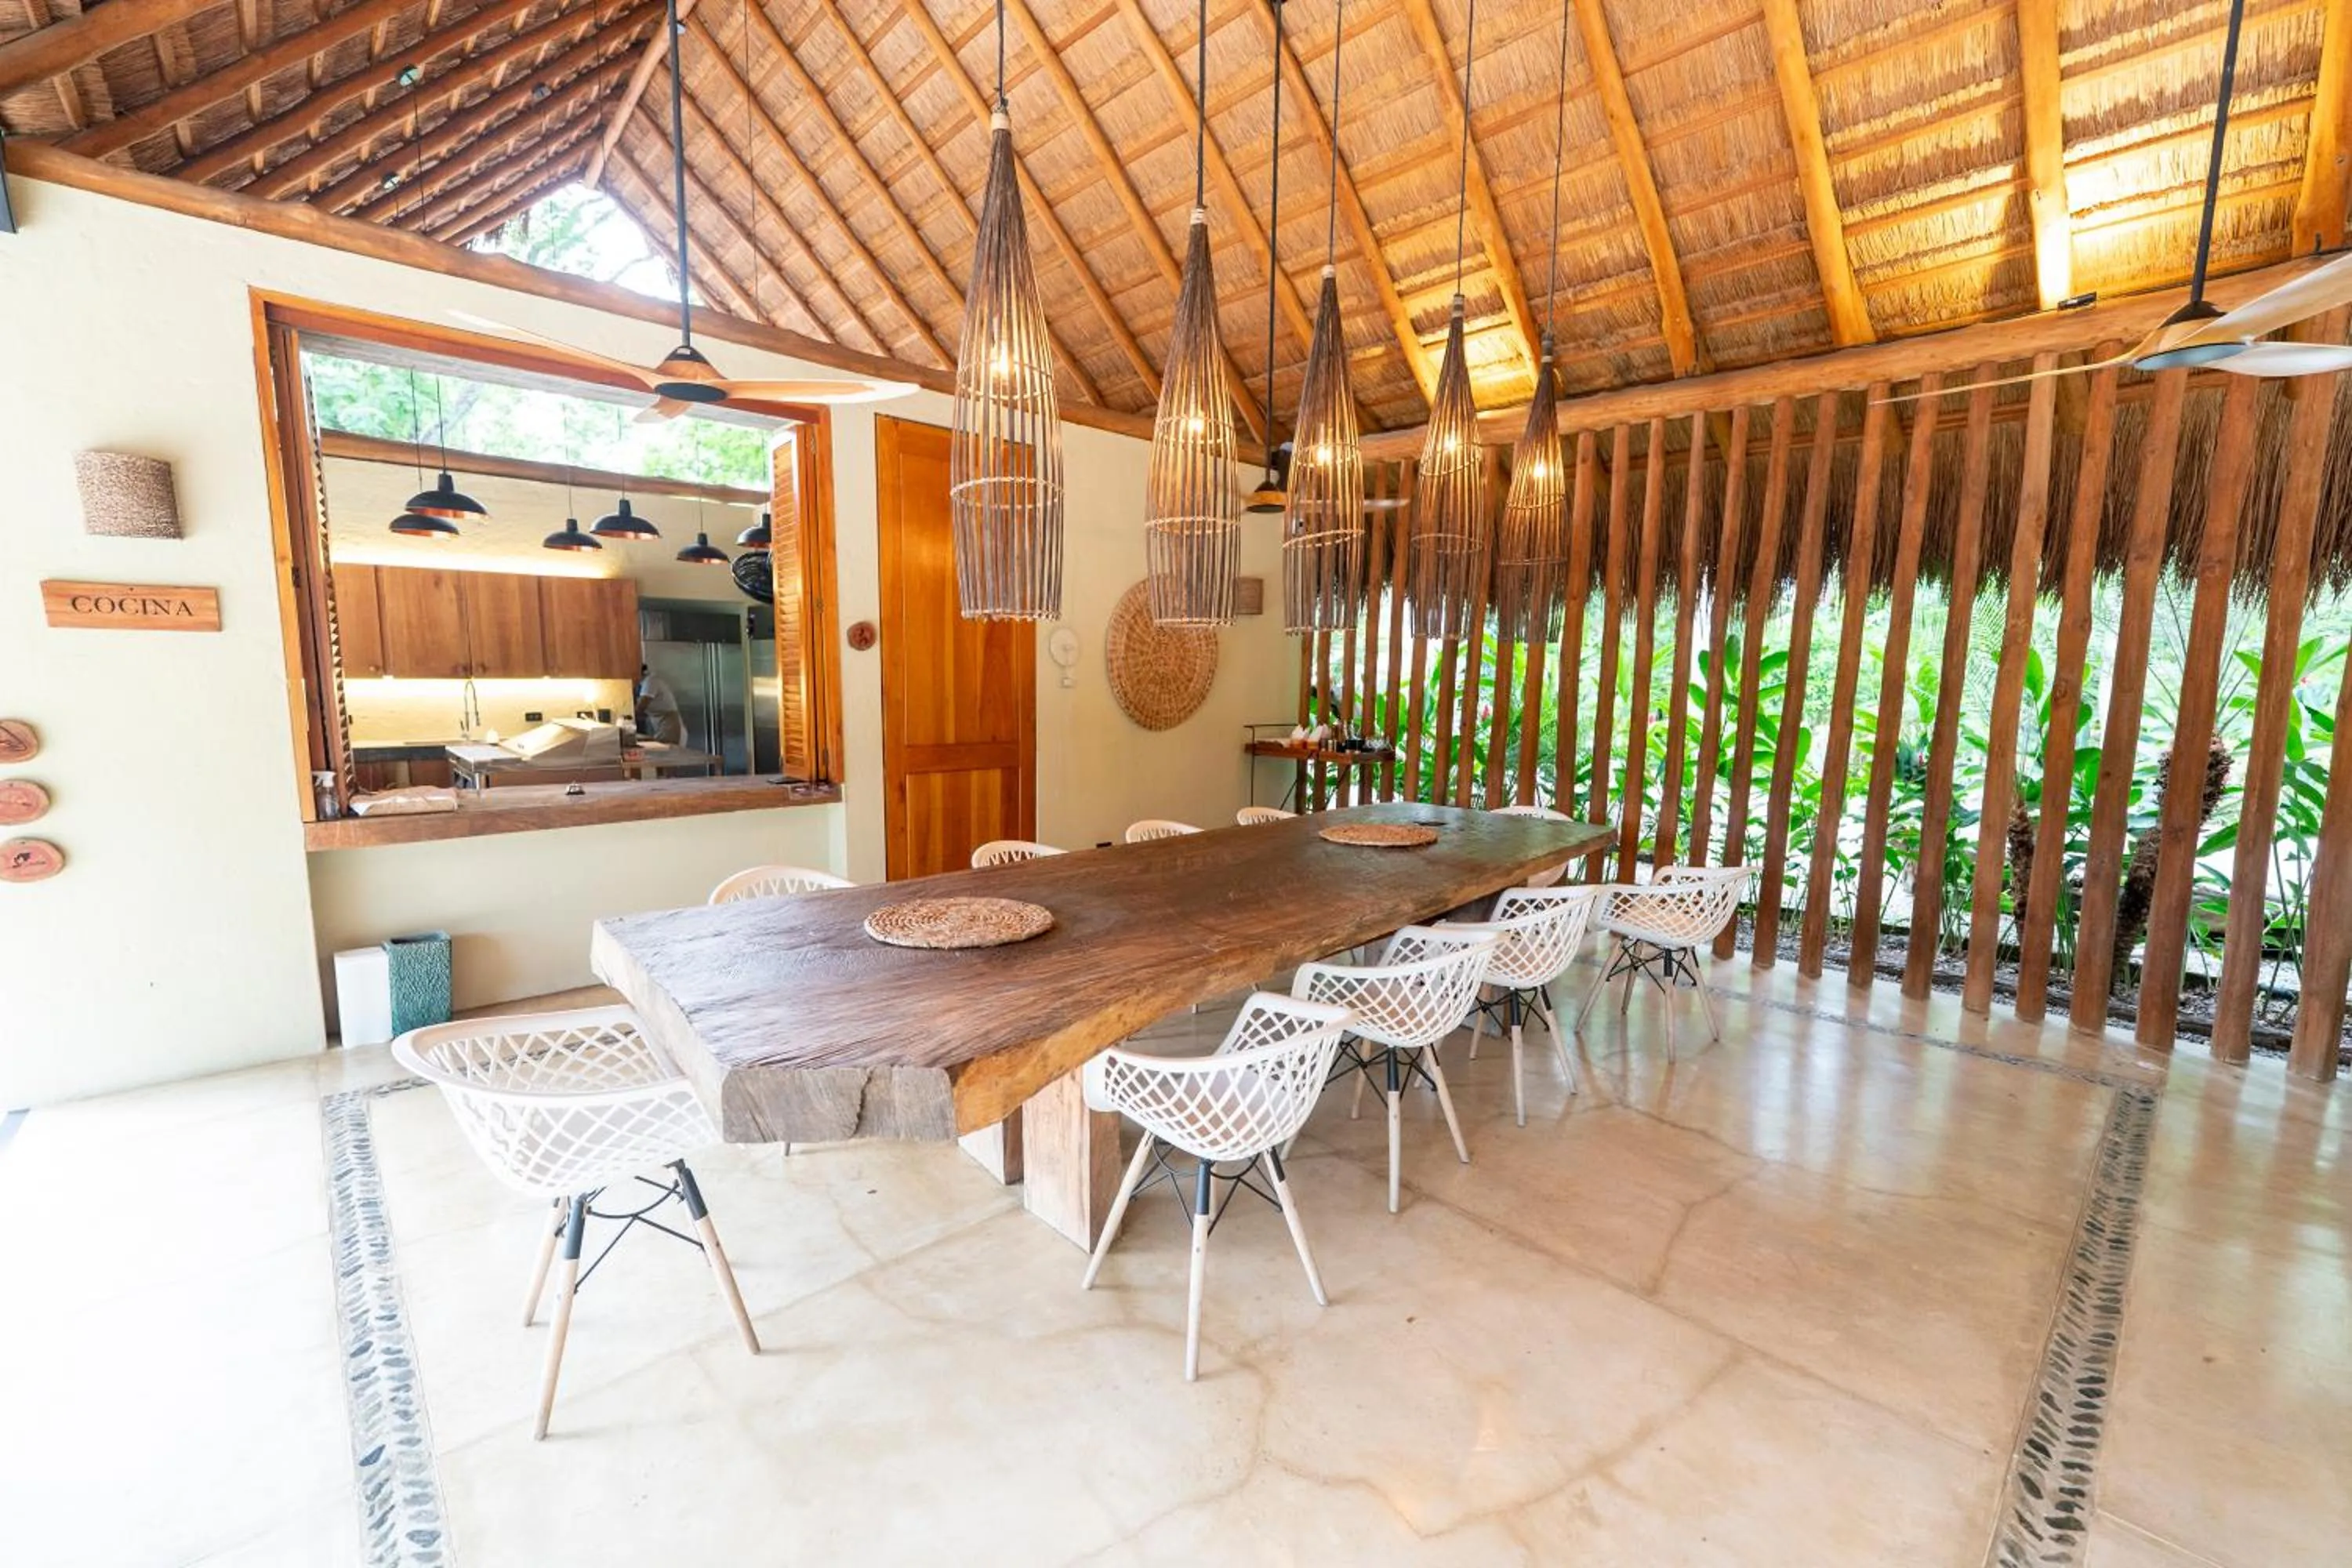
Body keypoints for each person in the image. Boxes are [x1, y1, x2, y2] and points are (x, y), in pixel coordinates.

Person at [635, 664, 684, 745]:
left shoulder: (650, 682)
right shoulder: (642, 684)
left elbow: (640, 708)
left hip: (670, 726)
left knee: (668, 753)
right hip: (661, 725)